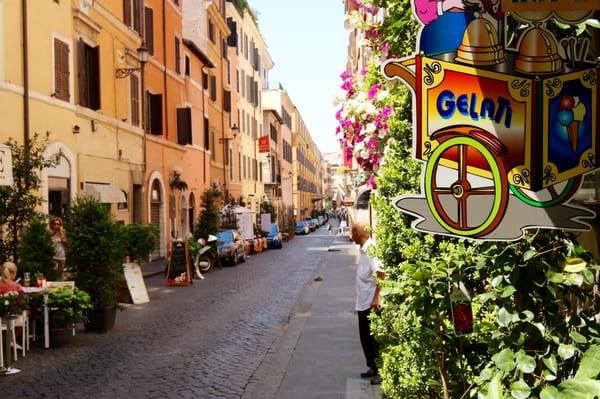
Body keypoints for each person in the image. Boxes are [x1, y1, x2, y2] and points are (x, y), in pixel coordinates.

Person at [351, 222, 385, 385]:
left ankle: (380, 371)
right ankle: (372, 366)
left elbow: (381, 273)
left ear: (358, 233)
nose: (351, 234)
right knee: (364, 337)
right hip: (363, 301)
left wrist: (376, 297)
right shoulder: (363, 249)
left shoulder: (371, 249)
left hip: (371, 303)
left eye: (353, 231)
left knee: (373, 339)